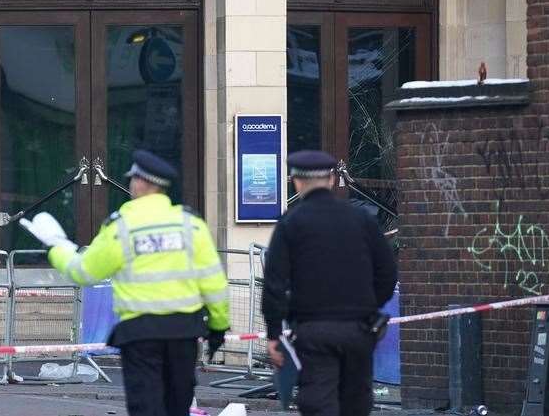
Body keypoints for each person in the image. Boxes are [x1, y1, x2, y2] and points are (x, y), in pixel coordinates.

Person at [21, 150, 230, 416]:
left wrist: (56, 247)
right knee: (178, 407)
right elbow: (214, 284)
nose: (131, 185)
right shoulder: (191, 225)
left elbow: (84, 272)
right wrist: (218, 327)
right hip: (183, 333)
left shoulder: (122, 226)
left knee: (147, 407)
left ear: (141, 183)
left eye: (133, 179)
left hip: (141, 335)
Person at [261, 150, 398, 416]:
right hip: (359, 329)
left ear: (296, 182)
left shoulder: (291, 223)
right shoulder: (362, 220)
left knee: (318, 400)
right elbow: (387, 273)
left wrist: (274, 332)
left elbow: (274, 283)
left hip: (314, 330)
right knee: (355, 402)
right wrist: (369, 307)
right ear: (333, 180)